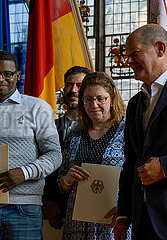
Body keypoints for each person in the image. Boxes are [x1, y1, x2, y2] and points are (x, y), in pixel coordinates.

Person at [0, 50, 62, 239]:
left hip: (25, 208)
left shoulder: (38, 107)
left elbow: (54, 155)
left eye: (7, 74)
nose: (0, 79)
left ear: (17, 76)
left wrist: (25, 173)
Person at [57, 72, 128, 240]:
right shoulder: (75, 133)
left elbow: (137, 177)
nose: (94, 104)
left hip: (112, 223)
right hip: (76, 226)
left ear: (111, 99)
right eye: (88, 99)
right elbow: (61, 180)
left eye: (100, 98)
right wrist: (67, 179)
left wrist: (126, 207)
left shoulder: (127, 131)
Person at [114, 24, 167, 240]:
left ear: (160, 49)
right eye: (126, 56)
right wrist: (123, 214)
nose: (128, 61)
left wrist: (165, 166)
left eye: (134, 53)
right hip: (141, 220)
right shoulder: (135, 103)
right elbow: (131, 162)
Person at [43, 66, 92, 229]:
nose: (73, 90)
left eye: (80, 85)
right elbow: (45, 165)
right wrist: (49, 202)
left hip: (88, 209)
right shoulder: (49, 127)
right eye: (69, 85)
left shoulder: (99, 128)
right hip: (53, 213)